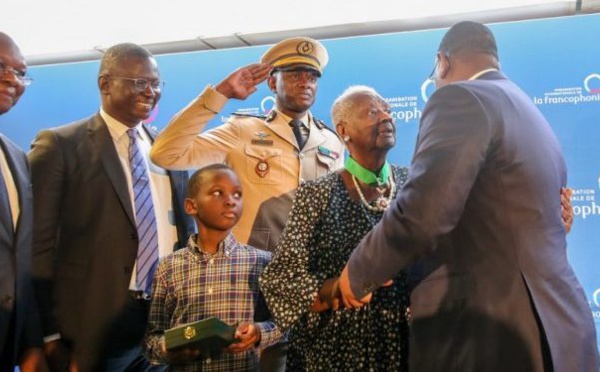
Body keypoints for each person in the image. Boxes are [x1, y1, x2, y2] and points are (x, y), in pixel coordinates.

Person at [338, 21, 599, 371]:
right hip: (559, 328)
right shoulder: (527, 109)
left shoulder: (460, 98)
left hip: (492, 336)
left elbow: (423, 213)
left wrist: (358, 272)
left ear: (442, 62)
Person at [28, 43, 195, 371]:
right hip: (89, 327)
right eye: (139, 82)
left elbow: (183, 234)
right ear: (105, 84)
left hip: (162, 321)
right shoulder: (60, 145)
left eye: (156, 83)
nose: (151, 91)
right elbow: (38, 247)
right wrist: (47, 334)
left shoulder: (167, 151)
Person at [259, 85, 409, 371]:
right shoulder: (316, 194)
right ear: (344, 131)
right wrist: (337, 289)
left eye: (387, 110)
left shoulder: (414, 183)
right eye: (372, 112)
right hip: (334, 348)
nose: (386, 117)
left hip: (404, 341)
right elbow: (280, 279)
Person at [150, 37, 345, 252]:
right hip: (251, 270)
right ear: (272, 82)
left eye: (312, 78)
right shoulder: (242, 130)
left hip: (313, 272)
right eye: (295, 75)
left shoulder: (332, 141)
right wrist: (220, 93)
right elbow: (165, 154)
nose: (305, 83)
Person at [145, 164, 282, 371]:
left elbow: (283, 323)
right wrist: (167, 349)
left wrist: (259, 332)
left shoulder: (261, 262)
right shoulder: (168, 266)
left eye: (237, 195)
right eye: (218, 193)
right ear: (191, 206)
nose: (230, 201)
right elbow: (152, 338)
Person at [0, 31, 47, 372]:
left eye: (19, 72)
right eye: (1, 66)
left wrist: (31, 342)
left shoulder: (17, 157)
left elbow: (20, 257)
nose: (10, 79)